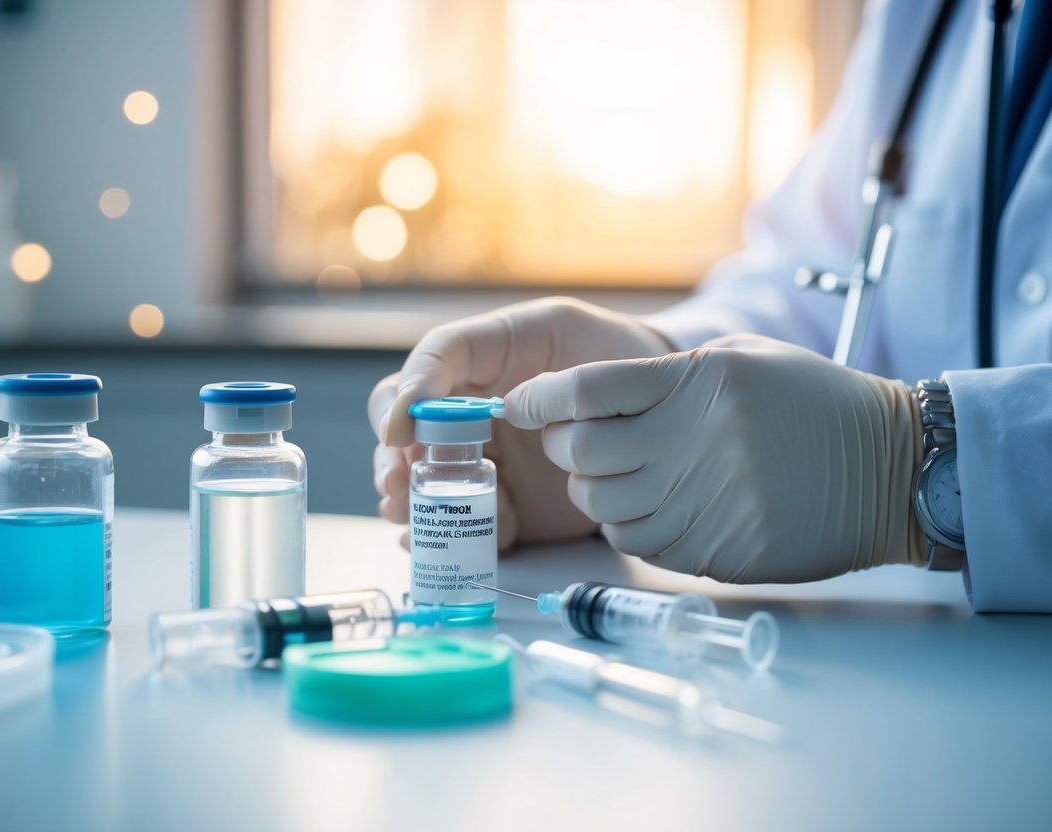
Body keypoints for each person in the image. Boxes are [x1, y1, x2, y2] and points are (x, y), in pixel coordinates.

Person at [368, 0, 1052, 613]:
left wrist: (912, 465)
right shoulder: (932, 15)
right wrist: (647, 380)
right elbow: (819, 280)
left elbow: (865, 439)